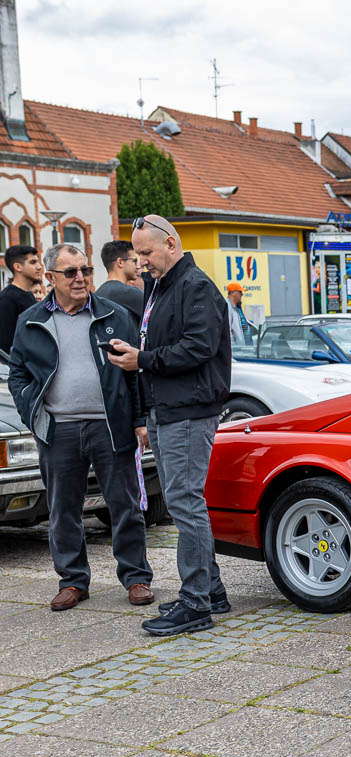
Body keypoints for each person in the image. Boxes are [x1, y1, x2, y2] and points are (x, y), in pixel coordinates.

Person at [8, 243, 154, 612]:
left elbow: (135, 374)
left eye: (85, 270)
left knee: (125, 505)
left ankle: (136, 577)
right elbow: (18, 373)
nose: (80, 278)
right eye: (70, 272)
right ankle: (73, 581)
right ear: (50, 277)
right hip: (59, 430)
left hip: (110, 426)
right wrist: (31, 413)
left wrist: (139, 420)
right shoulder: (31, 320)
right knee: (63, 510)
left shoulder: (114, 314)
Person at [107, 214, 233, 636]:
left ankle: (196, 604)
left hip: (190, 409)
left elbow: (198, 347)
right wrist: (136, 353)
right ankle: (210, 590)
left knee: (184, 503)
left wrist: (141, 359)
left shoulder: (195, 286)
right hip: (166, 408)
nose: (141, 261)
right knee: (184, 502)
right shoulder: (160, 286)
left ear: (171, 245)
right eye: (138, 254)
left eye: (146, 253)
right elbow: (161, 344)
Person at [0, 244, 42, 356]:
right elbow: (5, 345)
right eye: (33, 262)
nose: (39, 267)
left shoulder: (29, 295)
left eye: (38, 262)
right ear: (18, 267)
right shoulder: (7, 299)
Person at [97, 240, 144, 319]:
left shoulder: (97, 295)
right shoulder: (132, 293)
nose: (138, 266)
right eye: (134, 261)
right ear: (120, 262)